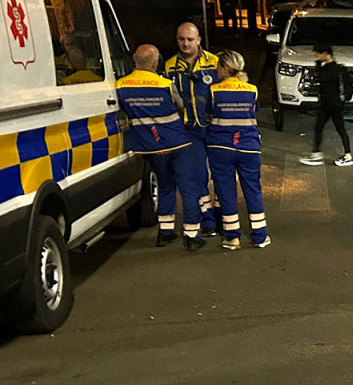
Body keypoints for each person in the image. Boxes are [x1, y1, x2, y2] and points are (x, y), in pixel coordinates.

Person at [116, 45, 207, 251]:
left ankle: (165, 233)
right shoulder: (164, 84)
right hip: (177, 143)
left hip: (149, 147)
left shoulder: (120, 85)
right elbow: (180, 106)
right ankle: (192, 236)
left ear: (135, 60)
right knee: (188, 186)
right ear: (155, 63)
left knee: (165, 185)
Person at [207, 50, 270, 250]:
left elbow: (209, 114)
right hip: (248, 147)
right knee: (253, 189)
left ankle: (232, 237)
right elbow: (254, 111)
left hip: (220, 147)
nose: (216, 70)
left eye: (218, 66)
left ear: (226, 68)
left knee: (225, 192)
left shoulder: (213, 90)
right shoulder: (252, 89)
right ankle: (260, 236)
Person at [164, 22, 221, 236]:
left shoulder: (215, 62)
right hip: (189, 130)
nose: (185, 43)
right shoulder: (169, 66)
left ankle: (222, 215)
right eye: (181, 39)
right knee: (198, 176)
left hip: (214, 128)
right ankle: (207, 220)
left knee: (220, 174)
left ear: (198, 40)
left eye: (190, 39)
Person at [300, 43, 353, 166]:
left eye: (317, 55)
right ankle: (317, 152)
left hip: (332, 105)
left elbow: (322, 77)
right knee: (322, 127)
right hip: (332, 104)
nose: (316, 57)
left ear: (325, 54)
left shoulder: (331, 70)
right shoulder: (338, 69)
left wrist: (318, 63)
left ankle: (347, 154)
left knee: (338, 128)